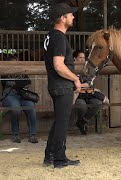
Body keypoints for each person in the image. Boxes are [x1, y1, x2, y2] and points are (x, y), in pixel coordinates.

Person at [42, 3, 85, 168]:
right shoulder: (59, 37)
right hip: (62, 85)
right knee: (62, 123)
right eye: (70, 14)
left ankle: (49, 156)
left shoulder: (50, 36)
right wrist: (75, 78)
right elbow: (59, 65)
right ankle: (59, 159)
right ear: (63, 18)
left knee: (59, 121)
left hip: (55, 85)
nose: (73, 17)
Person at [0, 56, 38, 143]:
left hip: (22, 95)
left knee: (31, 106)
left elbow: (28, 82)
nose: (16, 63)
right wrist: (20, 83)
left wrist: (16, 83)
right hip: (9, 95)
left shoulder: (22, 71)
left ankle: (33, 134)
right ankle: (15, 134)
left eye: (17, 62)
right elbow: (7, 83)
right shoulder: (4, 72)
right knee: (15, 108)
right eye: (14, 62)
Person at [73, 50, 108, 135]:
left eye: (84, 58)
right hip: (78, 95)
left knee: (98, 103)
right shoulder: (71, 68)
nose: (82, 60)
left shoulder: (88, 68)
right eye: (80, 58)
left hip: (89, 93)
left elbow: (89, 82)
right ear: (74, 59)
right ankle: (81, 122)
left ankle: (83, 121)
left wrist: (79, 84)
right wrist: (82, 85)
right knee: (82, 106)